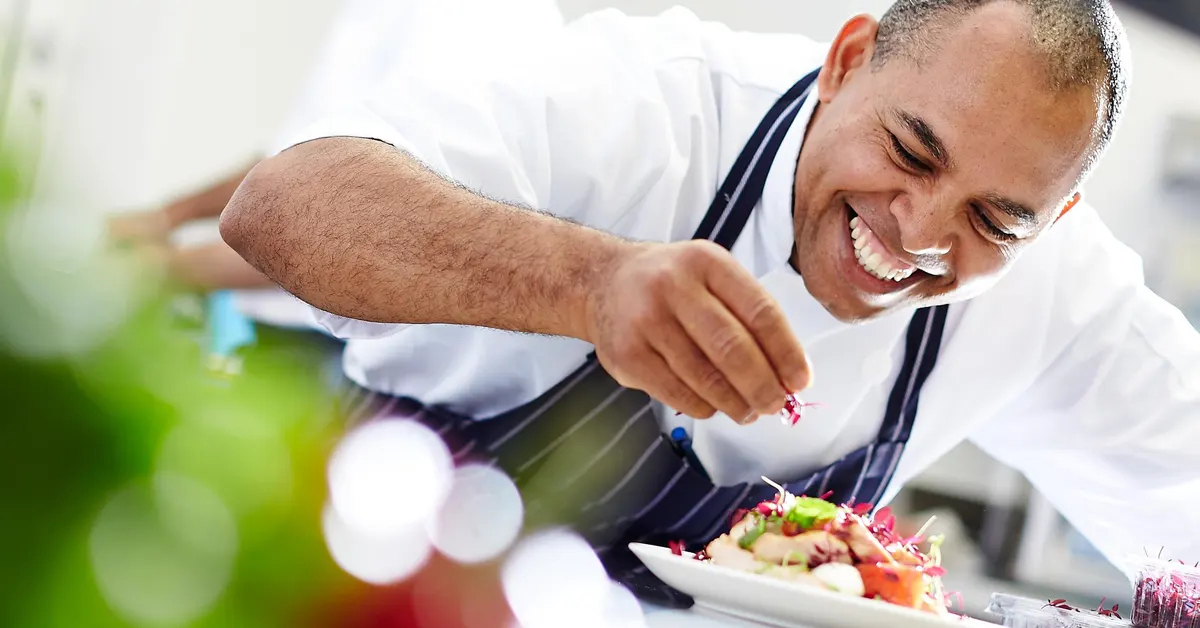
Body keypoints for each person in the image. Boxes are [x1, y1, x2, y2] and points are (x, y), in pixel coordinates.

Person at [219, 0, 1200, 606]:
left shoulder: (1063, 295)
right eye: (909, 151)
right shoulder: (653, 103)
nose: (919, 235)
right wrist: (588, 284)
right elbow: (281, 207)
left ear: (1059, 214)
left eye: (998, 218)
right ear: (847, 61)